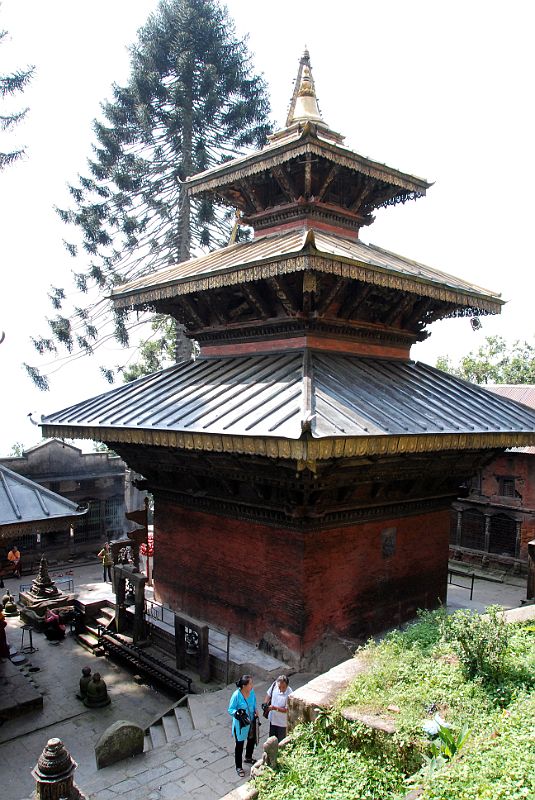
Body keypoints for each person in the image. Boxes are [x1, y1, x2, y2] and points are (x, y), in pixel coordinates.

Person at [228, 674, 258, 777]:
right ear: (244, 685)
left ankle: (248, 757)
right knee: (239, 745)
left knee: (251, 741)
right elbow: (230, 709)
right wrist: (236, 713)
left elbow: (254, 702)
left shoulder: (252, 692)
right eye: (250, 683)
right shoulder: (236, 695)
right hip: (241, 725)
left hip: (251, 722)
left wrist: (256, 710)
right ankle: (238, 766)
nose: (252, 685)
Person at [264, 674, 293, 742]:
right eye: (280, 687)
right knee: (271, 741)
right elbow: (268, 694)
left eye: (283, 687)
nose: (281, 689)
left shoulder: (290, 693)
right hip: (273, 720)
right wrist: (265, 703)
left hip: (282, 723)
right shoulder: (275, 685)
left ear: (287, 686)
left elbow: (286, 710)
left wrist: (274, 708)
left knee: (281, 742)